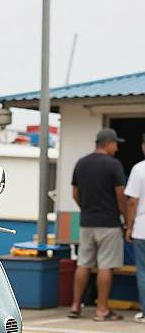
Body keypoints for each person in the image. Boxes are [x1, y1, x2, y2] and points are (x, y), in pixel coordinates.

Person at [69, 128, 127, 321]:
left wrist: (86, 209)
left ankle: (75, 306)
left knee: (83, 263)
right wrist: (126, 220)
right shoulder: (114, 165)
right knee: (106, 265)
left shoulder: (81, 163)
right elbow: (121, 197)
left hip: (86, 223)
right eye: (116, 143)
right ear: (108, 143)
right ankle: (102, 309)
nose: (117, 148)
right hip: (109, 223)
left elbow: (75, 194)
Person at [124, 134, 145, 323]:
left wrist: (128, 226)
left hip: (142, 229)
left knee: (143, 271)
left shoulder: (139, 169)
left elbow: (132, 202)